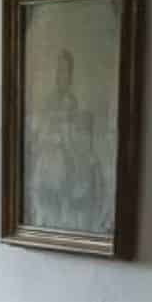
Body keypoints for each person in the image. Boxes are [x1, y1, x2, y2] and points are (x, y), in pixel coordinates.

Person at [26, 47, 107, 233]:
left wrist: (74, 126)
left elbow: (74, 123)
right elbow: (42, 128)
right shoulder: (49, 100)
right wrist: (57, 131)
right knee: (63, 160)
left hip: (68, 140)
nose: (64, 76)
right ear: (57, 74)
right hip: (51, 144)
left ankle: (85, 205)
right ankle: (62, 202)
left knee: (90, 160)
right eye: (61, 71)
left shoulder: (72, 99)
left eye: (67, 72)